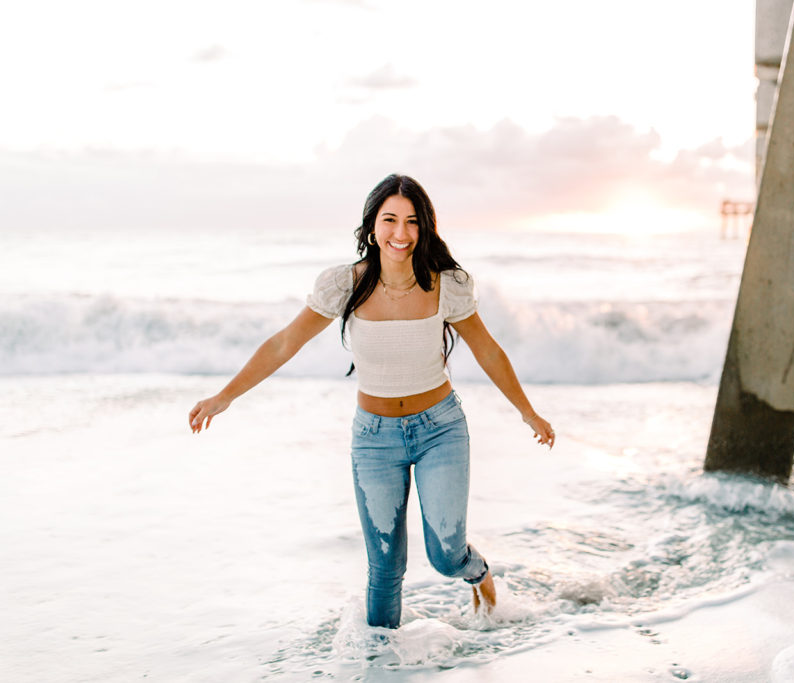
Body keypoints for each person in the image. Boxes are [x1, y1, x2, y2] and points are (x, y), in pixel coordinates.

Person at [188, 174, 555, 629]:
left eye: (412, 222)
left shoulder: (447, 284)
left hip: (441, 429)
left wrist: (527, 410)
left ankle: (479, 575)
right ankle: (381, 664)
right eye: (390, 220)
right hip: (374, 438)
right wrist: (225, 396)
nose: (400, 234)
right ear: (372, 226)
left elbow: (488, 350)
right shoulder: (345, 284)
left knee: (445, 556)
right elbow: (285, 343)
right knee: (384, 571)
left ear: (425, 229)